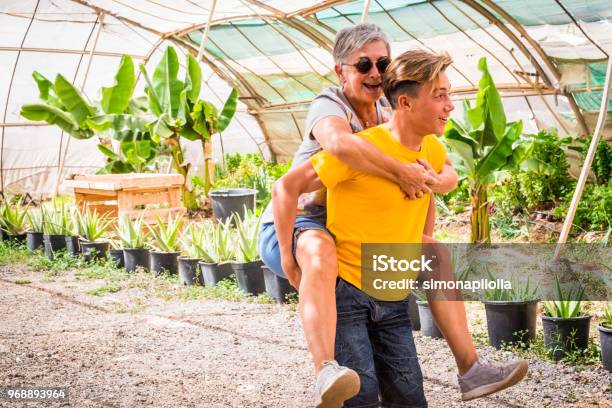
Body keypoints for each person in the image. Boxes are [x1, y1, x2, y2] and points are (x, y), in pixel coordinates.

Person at [259, 24, 526, 406]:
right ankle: (326, 369)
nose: (374, 72)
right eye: (363, 64)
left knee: (433, 252)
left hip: (354, 230)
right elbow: (339, 148)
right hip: (300, 218)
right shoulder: (331, 106)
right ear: (341, 71)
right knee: (321, 253)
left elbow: (433, 174)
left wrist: (424, 195)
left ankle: (471, 368)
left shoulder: (394, 108)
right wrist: (288, 259)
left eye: (382, 63)